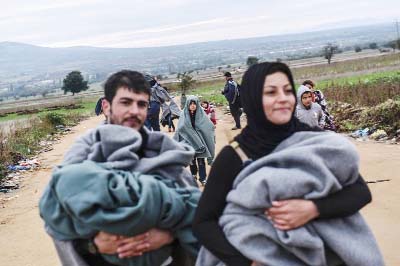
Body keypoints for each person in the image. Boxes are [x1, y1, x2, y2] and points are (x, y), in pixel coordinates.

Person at [193, 62, 382, 266]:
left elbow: (360, 191)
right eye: (271, 92)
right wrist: (246, 262)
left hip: (326, 256)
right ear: (253, 98)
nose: (283, 98)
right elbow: (204, 222)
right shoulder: (236, 155)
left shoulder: (313, 140)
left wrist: (314, 208)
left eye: (288, 91)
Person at [40, 70, 200, 266]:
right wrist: (93, 244)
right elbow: (56, 215)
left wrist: (170, 235)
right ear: (106, 107)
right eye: (126, 102)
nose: (135, 111)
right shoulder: (82, 156)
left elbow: (197, 213)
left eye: (141, 104)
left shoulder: (165, 154)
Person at [174, 96, 215, 186]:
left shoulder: (201, 115)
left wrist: (211, 132)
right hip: (189, 142)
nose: (192, 106)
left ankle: (203, 178)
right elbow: (180, 129)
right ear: (188, 105)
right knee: (192, 161)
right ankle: (193, 176)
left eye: (194, 104)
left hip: (200, 143)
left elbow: (208, 126)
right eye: (191, 104)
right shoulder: (183, 115)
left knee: (201, 161)